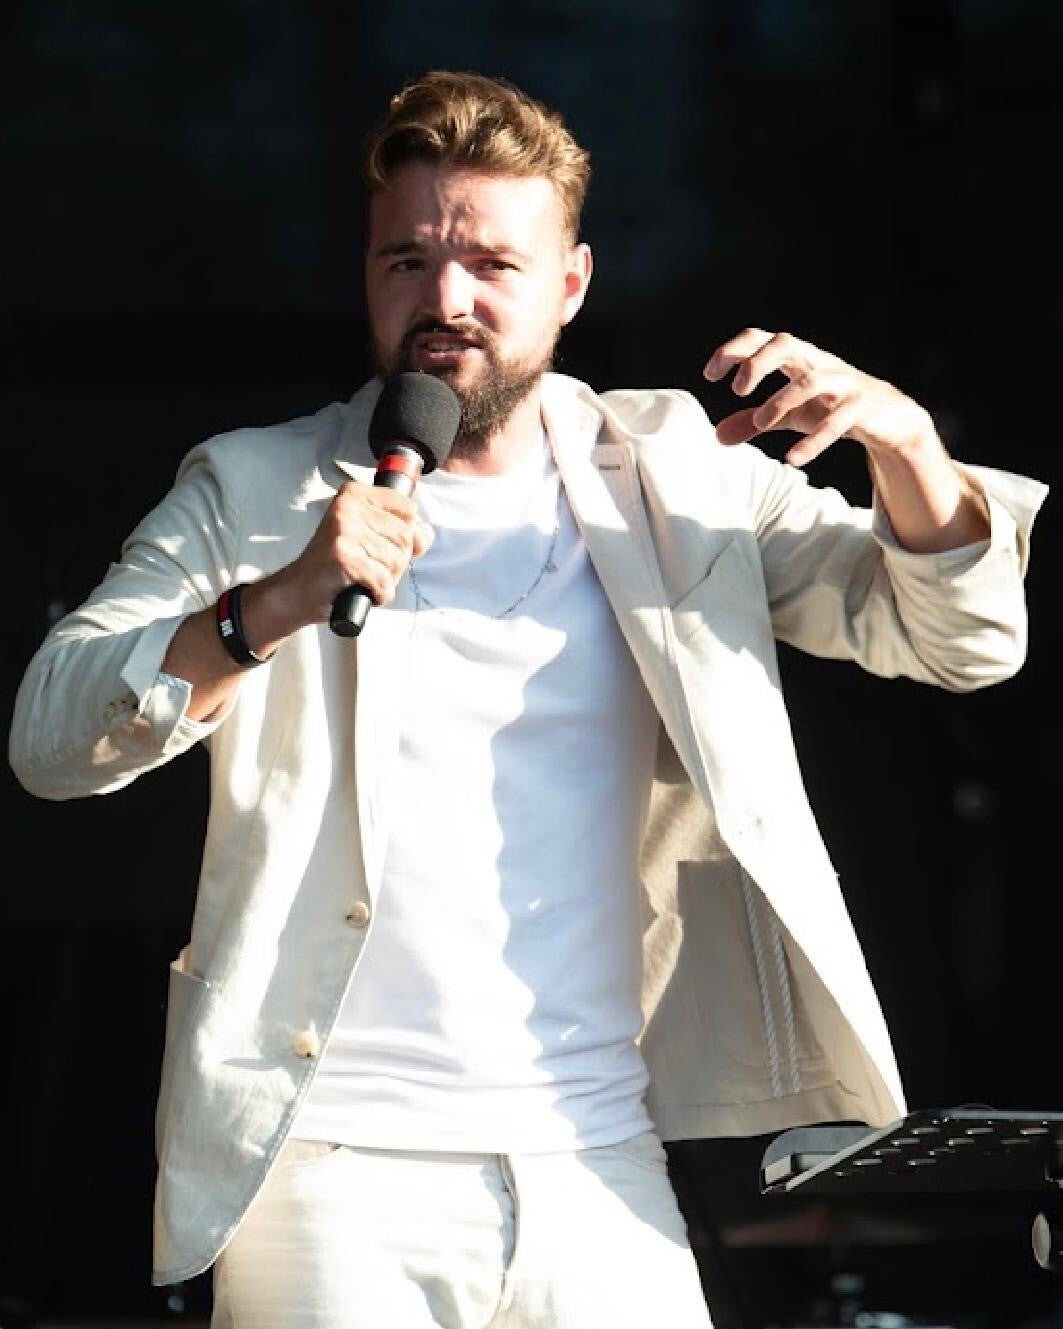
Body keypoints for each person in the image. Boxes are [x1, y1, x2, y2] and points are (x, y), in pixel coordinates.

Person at [9, 69, 1048, 1329]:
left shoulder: (677, 477)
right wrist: (267, 607)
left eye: (491, 264)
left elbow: (961, 642)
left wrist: (907, 447)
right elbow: (51, 737)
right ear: (367, 276)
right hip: (331, 1165)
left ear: (571, 283)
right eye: (406, 261)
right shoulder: (258, 488)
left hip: (596, 1151)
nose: (444, 299)